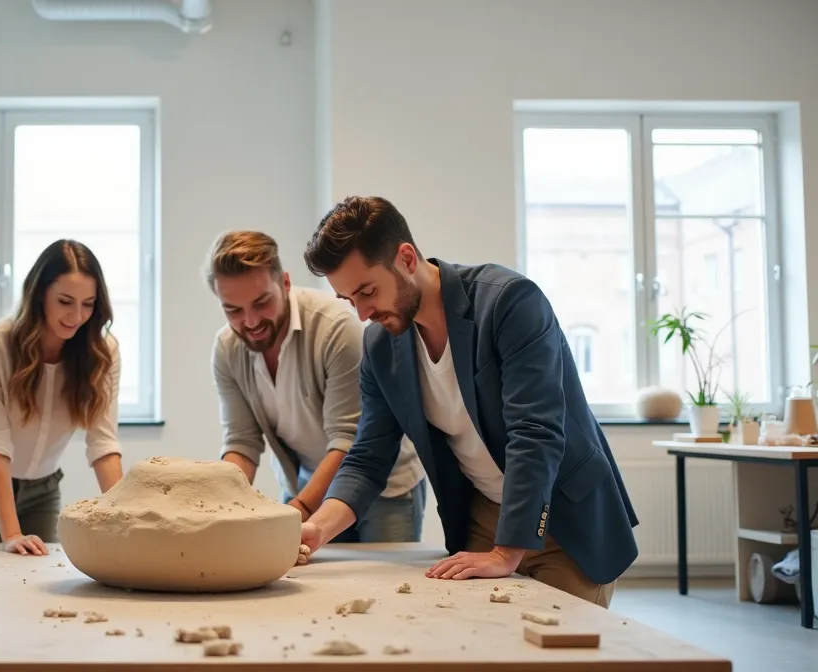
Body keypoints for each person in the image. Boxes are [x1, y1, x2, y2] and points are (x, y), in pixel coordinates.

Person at [297, 195, 639, 608]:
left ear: (406, 259)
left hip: (561, 517)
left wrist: (506, 552)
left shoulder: (509, 302)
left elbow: (535, 431)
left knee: (559, 637)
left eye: (367, 291)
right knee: (479, 635)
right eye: (349, 300)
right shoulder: (380, 346)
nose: (363, 313)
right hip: (483, 518)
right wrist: (318, 528)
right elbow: (369, 457)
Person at [206, 230, 427, 541]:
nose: (251, 321)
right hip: (306, 483)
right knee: (296, 570)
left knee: (379, 574)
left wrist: (295, 512)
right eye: (233, 310)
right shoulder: (227, 348)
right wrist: (222, 510)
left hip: (382, 488)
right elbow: (241, 443)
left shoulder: (336, 327)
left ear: (285, 283)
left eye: (262, 302)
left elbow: (348, 439)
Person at [0, 239, 123, 556]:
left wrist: (126, 520)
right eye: (65, 301)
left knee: (38, 575)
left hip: (42, 490)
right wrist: (12, 534)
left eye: (88, 304)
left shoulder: (102, 353)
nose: (77, 315)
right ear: (39, 294)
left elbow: (103, 444)